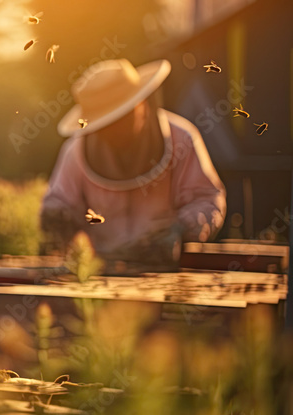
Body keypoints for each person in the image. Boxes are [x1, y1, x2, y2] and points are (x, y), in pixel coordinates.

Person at [40, 58, 226, 266]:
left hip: (167, 272)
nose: (113, 131)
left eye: (120, 120)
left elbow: (207, 200)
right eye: (105, 125)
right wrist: (56, 218)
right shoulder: (75, 151)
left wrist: (181, 229)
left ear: (141, 103)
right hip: (99, 272)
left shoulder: (182, 139)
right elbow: (59, 201)